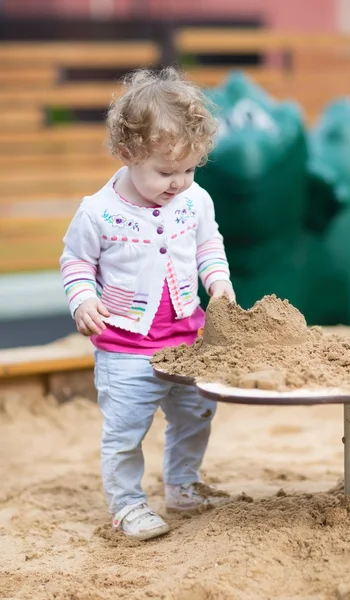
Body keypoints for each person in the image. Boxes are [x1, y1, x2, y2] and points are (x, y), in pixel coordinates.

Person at [60, 67, 236, 542]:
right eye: (165, 171)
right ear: (128, 154)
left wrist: (217, 281)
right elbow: (75, 261)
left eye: (189, 168)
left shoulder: (195, 200)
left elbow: (208, 246)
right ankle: (127, 504)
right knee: (125, 430)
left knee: (197, 413)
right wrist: (83, 300)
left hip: (186, 339)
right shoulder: (98, 211)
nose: (179, 182)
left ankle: (182, 484)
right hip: (125, 346)